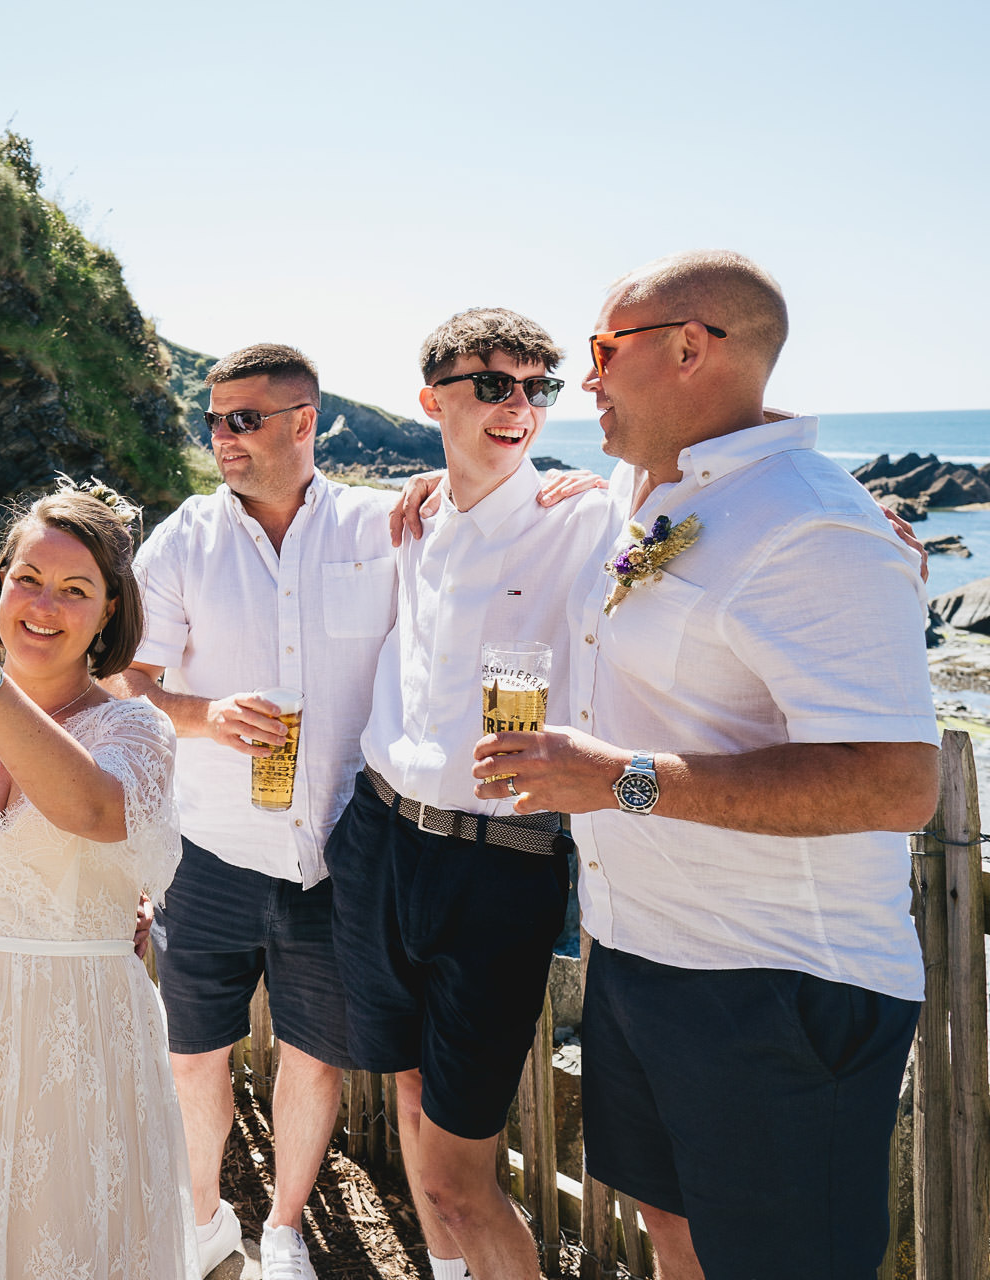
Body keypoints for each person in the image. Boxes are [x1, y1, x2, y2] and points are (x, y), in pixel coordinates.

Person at [472, 250, 938, 1280]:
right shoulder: (666, 486)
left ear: (693, 347)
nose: (583, 379)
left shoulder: (813, 523)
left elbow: (897, 782)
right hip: (647, 955)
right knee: (671, 1231)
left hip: (776, 984)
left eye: (601, 350)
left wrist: (616, 776)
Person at [327, 309, 616, 1280]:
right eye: (493, 384)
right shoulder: (414, 520)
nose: (521, 406)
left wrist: (863, 526)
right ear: (432, 401)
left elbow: (706, 532)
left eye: (541, 386)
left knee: (462, 1174)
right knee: (407, 1092)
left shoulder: (584, 517)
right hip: (381, 836)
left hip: (501, 863)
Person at [105, 343, 400, 1279]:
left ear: (305, 422)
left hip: (339, 851)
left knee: (315, 1058)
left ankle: (280, 1230)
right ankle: (201, 1222)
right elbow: (124, 677)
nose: (223, 438)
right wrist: (204, 715)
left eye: (245, 420)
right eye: (215, 420)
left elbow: (490, 550)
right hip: (212, 851)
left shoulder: (384, 525)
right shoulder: (183, 540)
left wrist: (564, 496)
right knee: (195, 1056)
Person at [0, 479, 197, 1276]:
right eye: (28, 579)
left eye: (75, 589)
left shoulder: (136, 726)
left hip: (78, 1033)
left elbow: (91, 809)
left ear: (109, 611)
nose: (44, 605)